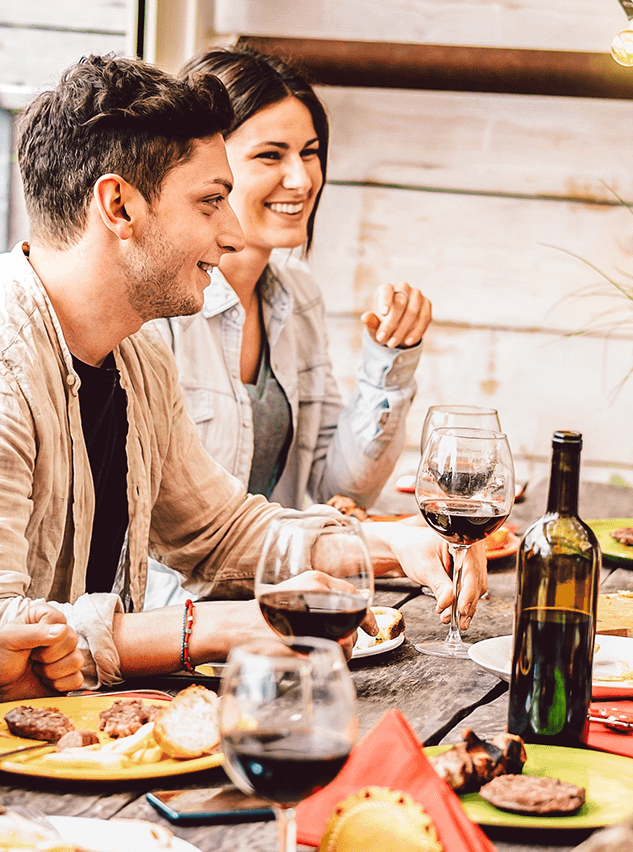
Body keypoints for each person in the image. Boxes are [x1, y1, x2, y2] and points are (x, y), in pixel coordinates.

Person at [2, 52, 483, 685]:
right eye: (210, 202)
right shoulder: (10, 366)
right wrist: (230, 626)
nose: (231, 235)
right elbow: (9, 630)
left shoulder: (136, 356)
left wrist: (390, 546)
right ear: (119, 206)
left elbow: (218, 531)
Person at [144, 47, 432, 605]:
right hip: (177, 626)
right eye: (271, 155)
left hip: (286, 597)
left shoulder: (297, 295)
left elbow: (336, 493)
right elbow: (172, 536)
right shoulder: (160, 311)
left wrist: (389, 361)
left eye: (311, 153)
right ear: (211, 167)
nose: (301, 179)